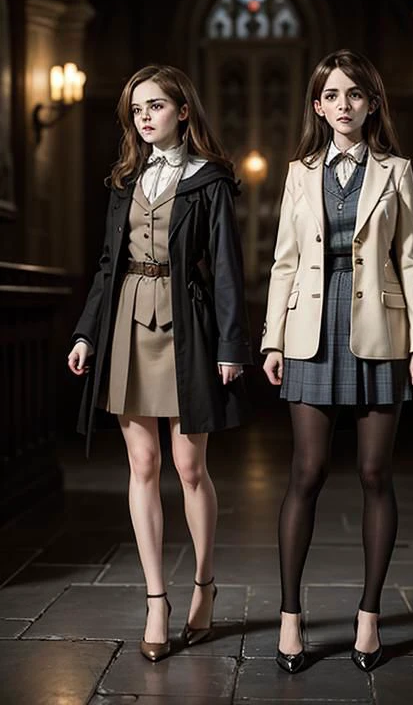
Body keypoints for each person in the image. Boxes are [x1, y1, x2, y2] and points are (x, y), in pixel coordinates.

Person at [67, 64, 252, 663]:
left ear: (184, 111)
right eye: (137, 110)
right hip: (125, 323)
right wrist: (86, 335)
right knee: (142, 463)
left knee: (189, 466)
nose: (144, 118)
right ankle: (155, 600)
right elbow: (105, 265)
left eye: (155, 106)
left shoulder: (211, 182)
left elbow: (226, 269)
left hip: (188, 326)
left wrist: (231, 346)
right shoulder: (126, 180)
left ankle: (203, 582)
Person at [261, 48, 413, 674]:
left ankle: (369, 619)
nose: (343, 105)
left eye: (355, 95)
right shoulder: (298, 173)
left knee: (373, 475)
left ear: (372, 103)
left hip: (380, 330)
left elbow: (411, 259)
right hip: (310, 328)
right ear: (318, 105)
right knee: (305, 474)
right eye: (332, 95)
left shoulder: (397, 170)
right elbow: (284, 261)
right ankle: (289, 618)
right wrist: (272, 340)